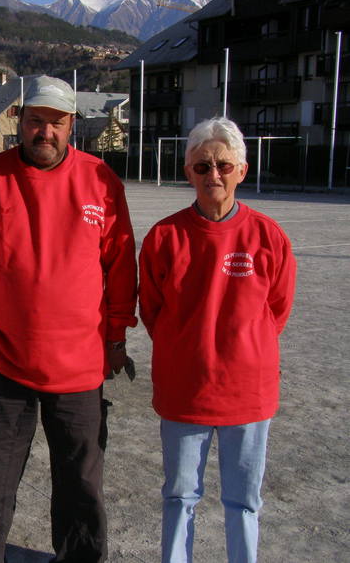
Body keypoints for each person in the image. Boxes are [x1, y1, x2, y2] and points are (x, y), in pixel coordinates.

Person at [0, 75, 138, 563]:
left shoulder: (100, 180)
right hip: (5, 362)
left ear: (71, 124)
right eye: (36, 121)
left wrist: (117, 337)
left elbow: (120, 265)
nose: (45, 132)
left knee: (80, 486)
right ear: (19, 120)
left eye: (56, 123)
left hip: (79, 367)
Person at [138, 117, 297, 563]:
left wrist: (243, 350)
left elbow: (277, 310)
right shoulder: (165, 237)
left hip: (248, 394)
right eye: (202, 166)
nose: (214, 176)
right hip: (185, 391)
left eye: (224, 166)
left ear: (241, 171)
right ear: (187, 171)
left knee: (244, 502)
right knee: (179, 496)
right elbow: (151, 310)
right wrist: (187, 348)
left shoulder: (268, 238)